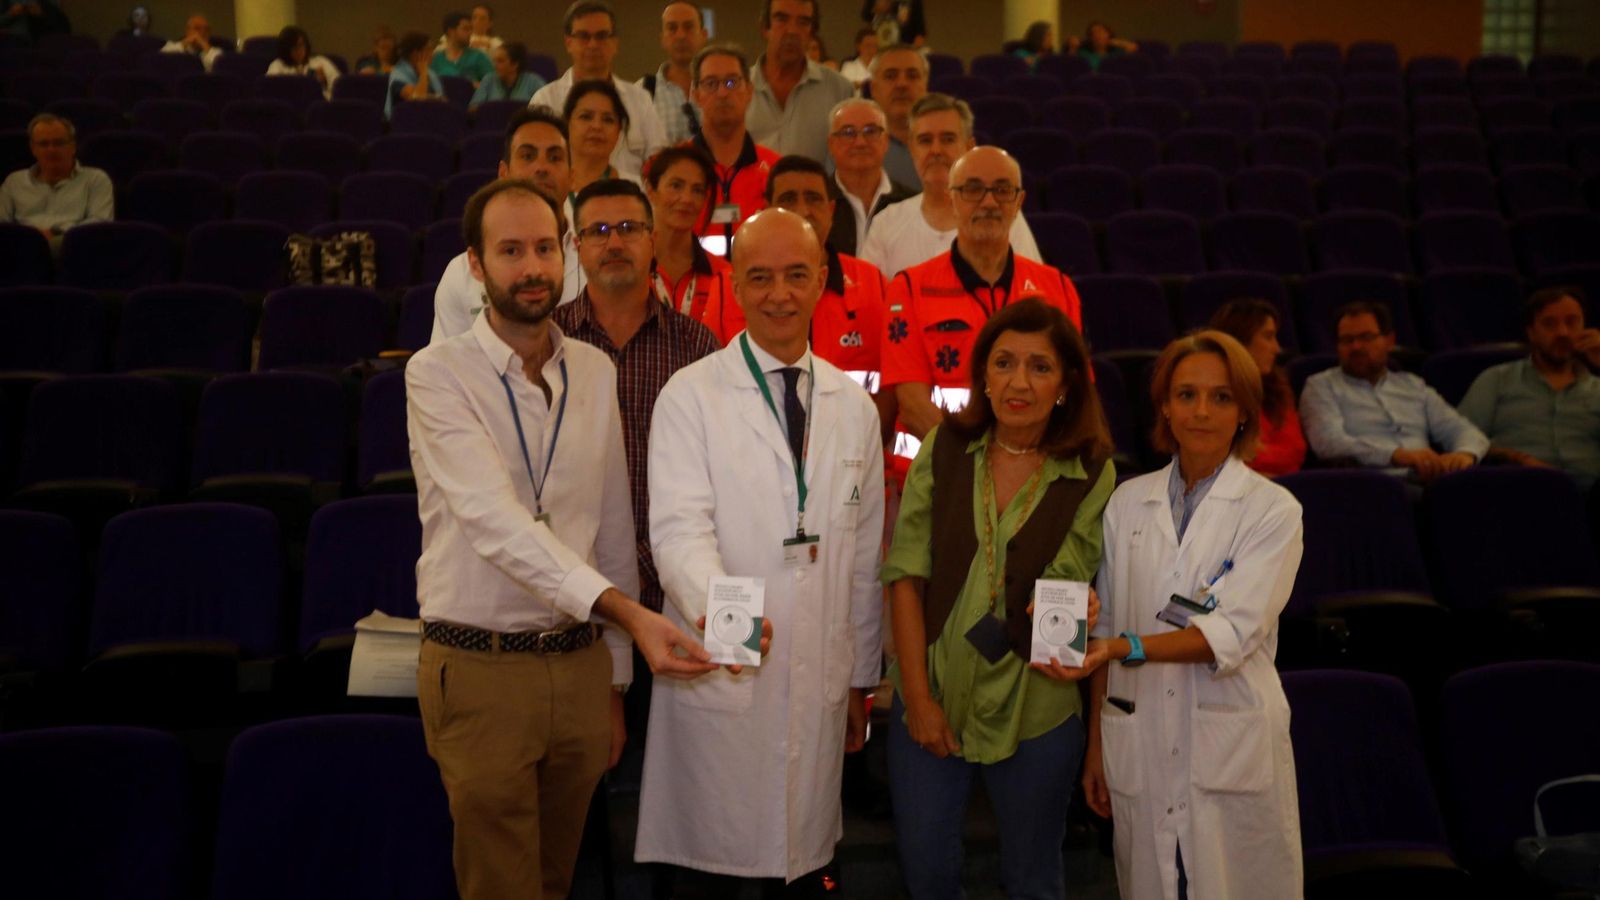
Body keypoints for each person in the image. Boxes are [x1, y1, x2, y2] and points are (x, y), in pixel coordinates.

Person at [408, 176, 726, 900]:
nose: (532, 267)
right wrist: (628, 613)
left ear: (566, 256)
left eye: (545, 248)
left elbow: (611, 522)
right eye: (511, 250)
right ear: (476, 266)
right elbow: (493, 522)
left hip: (579, 668)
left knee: (556, 881)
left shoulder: (593, 367)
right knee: (501, 886)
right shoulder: (437, 374)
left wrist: (614, 679)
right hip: (481, 665)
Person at [637, 207, 884, 894]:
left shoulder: (854, 406)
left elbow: (863, 561)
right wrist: (732, 625)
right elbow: (679, 535)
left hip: (819, 682)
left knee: (804, 865)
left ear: (823, 282)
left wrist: (859, 678)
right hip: (721, 670)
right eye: (761, 277)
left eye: (797, 275)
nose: (780, 293)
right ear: (736, 287)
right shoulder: (691, 396)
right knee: (711, 869)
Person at [884, 298, 1115, 899]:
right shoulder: (942, 450)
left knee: (1034, 879)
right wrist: (916, 697)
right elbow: (906, 577)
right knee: (927, 870)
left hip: (1036, 700)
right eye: (1004, 363)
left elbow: (1069, 575)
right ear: (982, 375)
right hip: (933, 685)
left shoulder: (1093, 471)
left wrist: (1078, 604)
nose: (1018, 382)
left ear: (1066, 384)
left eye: (1040, 367)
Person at [1087, 329, 1304, 900]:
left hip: (1229, 739)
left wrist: (1127, 648)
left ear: (1244, 412)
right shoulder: (1128, 502)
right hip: (1140, 742)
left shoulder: (1273, 511)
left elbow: (1229, 633)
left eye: (1221, 397)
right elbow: (1103, 630)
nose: (1201, 411)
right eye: (1186, 395)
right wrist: (1096, 748)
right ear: (1164, 405)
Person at [880, 143, 1075, 457]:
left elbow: (1071, 392)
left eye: (1001, 190)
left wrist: (1013, 466)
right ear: (952, 199)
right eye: (973, 189)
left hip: (1031, 476)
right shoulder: (909, 289)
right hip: (936, 477)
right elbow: (914, 405)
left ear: (1019, 201)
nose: (988, 202)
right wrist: (982, 463)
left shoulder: (1057, 289)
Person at [702, 155, 893, 442]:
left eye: (813, 199)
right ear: (766, 210)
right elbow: (710, 382)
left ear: (830, 210)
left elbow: (892, 387)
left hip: (849, 454)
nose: (802, 210)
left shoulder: (873, 283)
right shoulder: (727, 287)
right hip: (747, 450)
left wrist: (856, 449)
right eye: (788, 199)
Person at [434, 108, 586, 343]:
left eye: (555, 157)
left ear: (572, 176)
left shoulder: (593, 258)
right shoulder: (462, 273)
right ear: (504, 173)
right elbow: (445, 370)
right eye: (527, 156)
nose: (542, 167)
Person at [860, 93, 1043, 279]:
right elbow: (867, 300)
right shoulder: (886, 223)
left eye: (948, 139)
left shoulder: (1000, 214)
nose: (936, 150)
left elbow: (1031, 290)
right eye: (925, 140)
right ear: (912, 149)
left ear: (969, 147)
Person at [1300, 301, 1488, 481]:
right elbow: (1328, 442)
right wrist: (1395, 455)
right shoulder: (1320, 386)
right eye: (1347, 340)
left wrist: (1464, 453)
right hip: (1369, 483)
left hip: (1429, 479)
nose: (1356, 347)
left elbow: (1462, 429)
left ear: (1389, 340)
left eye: (1366, 337)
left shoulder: (1413, 386)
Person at [1459, 286, 1600, 490]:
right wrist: (1516, 458)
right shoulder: (1497, 379)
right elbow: (1462, 439)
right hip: (1519, 488)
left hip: (1589, 494)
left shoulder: (1597, 388)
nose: (1563, 332)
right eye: (1550, 324)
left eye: (1572, 322)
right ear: (1531, 333)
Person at [530, 1, 668, 185]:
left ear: (615, 43)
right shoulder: (545, 100)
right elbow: (536, 165)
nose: (593, 44)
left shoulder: (639, 99)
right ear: (568, 43)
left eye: (602, 36)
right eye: (584, 36)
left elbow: (659, 163)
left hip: (630, 200)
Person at [686, 44, 779, 246]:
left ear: (749, 91)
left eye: (731, 82)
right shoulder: (674, 168)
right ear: (695, 94)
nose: (722, 93)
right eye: (711, 83)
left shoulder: (776, 170)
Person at [746, 0, 855, 162]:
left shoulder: (839, 90)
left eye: (803, 22)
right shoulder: (739, 88)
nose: (792, 31)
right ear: (765, 28)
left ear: (812, 33)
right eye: (781, 19)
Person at [1210, 298, 1305, 476]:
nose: (1277, 348)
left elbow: (1296, 450)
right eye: (1268, 336)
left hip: (1284, 487)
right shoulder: (1209, 391)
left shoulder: (1278, 388)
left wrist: (1257, 453)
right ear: (1239, 341)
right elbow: (1221, 455)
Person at [643, 145, 734, 322]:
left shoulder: (723, 275)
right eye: (676, 186)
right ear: (651, 190)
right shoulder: (629, 267)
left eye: (697, 190)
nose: (686, 199)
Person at [1, 114, 113, 250]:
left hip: (74, 247)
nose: (51, 150)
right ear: (33, 149)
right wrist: (30, 237)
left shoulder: (96, 179)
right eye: (43, 144)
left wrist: (56, 232)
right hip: (22, 247)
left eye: (59, 143)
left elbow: (100, 223)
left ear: (73, 146)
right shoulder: (14, 181)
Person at [826, 97, 916, 258]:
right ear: (831, 144)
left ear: (886, 141)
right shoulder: (817, 202)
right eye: (848, 133)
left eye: (871, 131)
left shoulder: (911, 203)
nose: (860, 142)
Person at [642, 2, 708, 145]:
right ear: (662, 39)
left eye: (688, 27)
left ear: (703, 35)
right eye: (672, 28)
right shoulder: (642, 93)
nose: (681, 35)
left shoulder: (719, 90)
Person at [867, 43, 927, 190]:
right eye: (891, 76)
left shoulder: (949, 145)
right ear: (873, 89)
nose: (902, 84)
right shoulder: (853, 147)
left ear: (925, 86)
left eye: (912, 76)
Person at [564, 79, 637, 195]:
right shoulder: (547, 186)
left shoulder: (637, 190)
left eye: (608, 120)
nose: (597, 126)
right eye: (586, 117)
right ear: (567, 124)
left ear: (619, 130)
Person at [266, 26, 341, 100]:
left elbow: (339, 88)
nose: (299, 50)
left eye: (301, 45)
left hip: (319, 106)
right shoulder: (278, 65)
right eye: (294, 47)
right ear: (286, 49)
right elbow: (269, 90)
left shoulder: (321, 62)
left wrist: (324, 82)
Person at [386, 30, 444, 120]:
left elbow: (443, 100)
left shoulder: (431, 74)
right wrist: (423, 73)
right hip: (407, 123)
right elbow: (418, 101)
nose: (433, 53)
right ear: (415, 53)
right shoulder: (398, 76)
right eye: (429, 49)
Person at [470, 42, 545, 107]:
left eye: (500, 61)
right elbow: (472, 108)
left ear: (515, 64)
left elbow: (546, 107)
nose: (494, 65)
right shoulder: (488, 80)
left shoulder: (534, 81)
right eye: (494, 61)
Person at [432, 11, 494, 87]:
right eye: (466, 29)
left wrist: (471, 85)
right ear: (451, 32)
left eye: (471, 29)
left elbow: (492, 84)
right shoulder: (437, 59)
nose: (470, 33)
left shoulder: (478, 56)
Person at [1069, 20, 1138, 71]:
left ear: (1109, 34)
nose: (1098, 36)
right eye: (1094, 33)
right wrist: (1073, 47)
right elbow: (1071, 64)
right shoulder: (1084, 53)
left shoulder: (1117, 53)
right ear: (1090, 38)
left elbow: (1133, 47)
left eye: (1102, 32)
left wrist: (1116, 42)